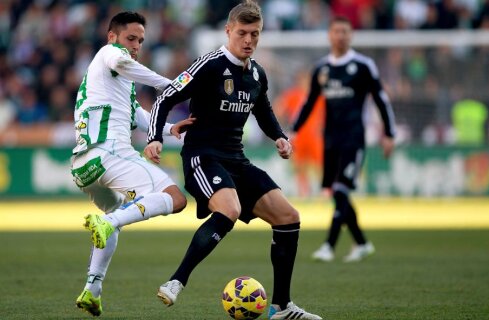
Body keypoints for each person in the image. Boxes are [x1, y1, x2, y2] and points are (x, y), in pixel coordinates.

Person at [144, 1, 322, 319]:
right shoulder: (209, 65)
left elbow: (263, 109)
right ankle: (176, 281)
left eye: (255, 34)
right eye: (242, 33)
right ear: (228, 31)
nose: (249, 40)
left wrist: (279, 136)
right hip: (202, 157)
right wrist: (155, 136)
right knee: (230, 209)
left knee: (288, 217)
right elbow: (165, 97)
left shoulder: (256, 73)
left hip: (236, 160)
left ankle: (282, 307)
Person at [70, 11, 193, 317]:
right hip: (109, 152)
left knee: (114, 219)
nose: (136, 45)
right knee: (175, 199)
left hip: (84, 167)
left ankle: (92, 289)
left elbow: (139, 117)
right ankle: (110, 222)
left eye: (140, 40)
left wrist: (170, 129)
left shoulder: (115, 82)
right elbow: (123, 62)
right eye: (131, 38)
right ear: (112, 36)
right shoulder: (109, 54)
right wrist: (172, 85)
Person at [292, 16, 396, 263]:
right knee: (337, 193)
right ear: (330, 35)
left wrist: (389, 133)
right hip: (330, 140)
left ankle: (329, 246)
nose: (341, 36)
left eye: (345, 31)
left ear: (351, 35)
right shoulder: (321, 69)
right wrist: (294, 131)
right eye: (337, 31)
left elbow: (381, 99)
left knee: (340, 190)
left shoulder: (363, 65)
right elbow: (309, 103)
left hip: (354, 138)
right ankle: (361, 243)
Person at [273, 68, 324, 197]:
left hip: (313, 136)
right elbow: (278, 108)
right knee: (300, 166)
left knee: (320, 165)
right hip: (298, 136)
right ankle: (304, 192)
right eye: (302, 79)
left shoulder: (317, 95)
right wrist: (282, 125)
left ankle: (324, 191)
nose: (304, 82)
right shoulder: (293, 95)